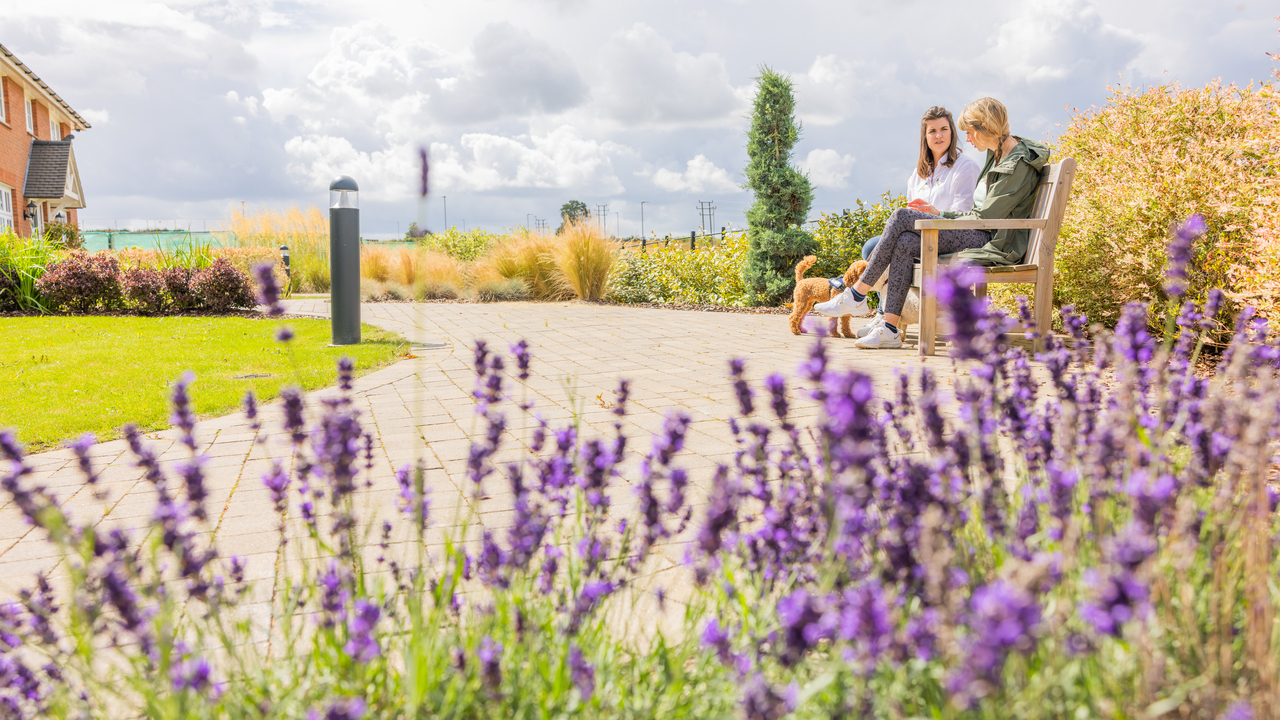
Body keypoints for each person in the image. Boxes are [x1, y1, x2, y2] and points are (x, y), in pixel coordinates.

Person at [815, 97, 1050, 349]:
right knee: (904, 240)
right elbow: (983, 212)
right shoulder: (999, 154)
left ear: (985, 126)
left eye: (970, 132)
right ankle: (890, 327)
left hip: (993, 239)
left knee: (900, 216)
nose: (968, 139)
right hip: (981, 230)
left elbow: (985, 218)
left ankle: (857, 294)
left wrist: (942, 215)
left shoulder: (1016, 163)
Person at [855, 106, 980, 338]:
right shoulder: (919, 173)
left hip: (949, 237)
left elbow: (964, 213)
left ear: (952, 133)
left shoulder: (965, 166)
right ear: (925, 136)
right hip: (920, 237)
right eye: (932, 131)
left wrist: (935, 212)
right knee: (871, 246)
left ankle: (876, 308)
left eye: (944, 129)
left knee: (875, 247)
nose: (939, 136)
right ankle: (886, 315)